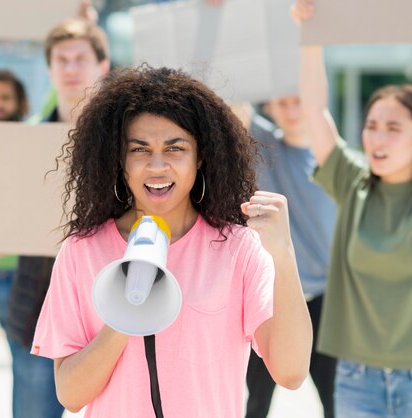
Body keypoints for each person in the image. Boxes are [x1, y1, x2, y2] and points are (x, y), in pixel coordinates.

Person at [30, 65, 312, 417]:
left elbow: (291, 372)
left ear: (200, 157)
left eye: (175, 148)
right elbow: (70, 394)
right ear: (119, 160)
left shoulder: (238, 247)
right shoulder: (81, 251)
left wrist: (283, 255)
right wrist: (125, 315)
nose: (157, 166)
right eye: (140, 150)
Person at [0, 17, 110, 418]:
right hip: (40, 302)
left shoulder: (125, 136)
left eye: (80, 58)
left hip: (109, 300)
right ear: (50, 69)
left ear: (102, 65)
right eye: (61, 59)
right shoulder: (26, 141)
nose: (71, 68)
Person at [293, 1, 412, 417]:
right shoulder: (352, 180)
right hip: (356, 380)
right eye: (372, 125)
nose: (377, 138)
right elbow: (314, 111)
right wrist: (311, 38)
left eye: (393, 128)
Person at [244, 97, 337, 418]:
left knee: (335, 401)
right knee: (256, 403)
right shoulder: (263, 147)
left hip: (327, 301)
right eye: (282, 103)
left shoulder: (335, 161)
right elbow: (236, 105)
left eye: (299, 100)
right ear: (269, 108)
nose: (292, 110)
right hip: (271, 298)